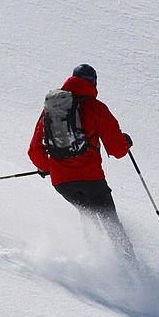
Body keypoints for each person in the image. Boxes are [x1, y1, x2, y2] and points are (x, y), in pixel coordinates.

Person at [28, 64, 135, 257]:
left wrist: (48, 167)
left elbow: (34, 150)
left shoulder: (52, 109)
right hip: (92, 179)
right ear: (93, 83)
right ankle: (130, 268)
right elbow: (118, 150)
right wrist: (125, 142)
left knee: (88, 217)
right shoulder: (96, 108)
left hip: (63, 183)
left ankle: (94, 261)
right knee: (111, 225)